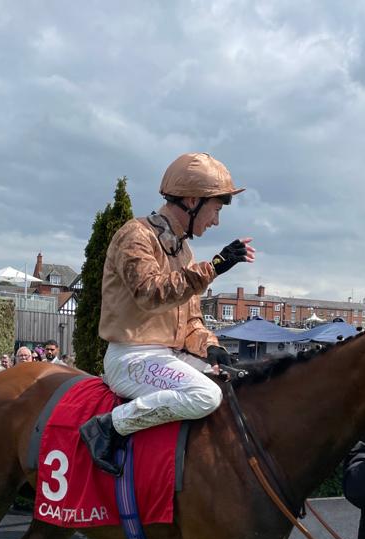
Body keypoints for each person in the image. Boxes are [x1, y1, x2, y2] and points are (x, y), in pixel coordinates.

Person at [79, 151, 255, 475]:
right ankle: (106, 427)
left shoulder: (184, 250)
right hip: (130, 358)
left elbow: (190, 319)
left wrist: (211, 346)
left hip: (167, 356)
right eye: (215, 210)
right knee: (204, 395)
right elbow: (150, 294)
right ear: (192, 200)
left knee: (237, 384)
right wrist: (214, 267)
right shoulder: (135, 235)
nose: (215, 220)